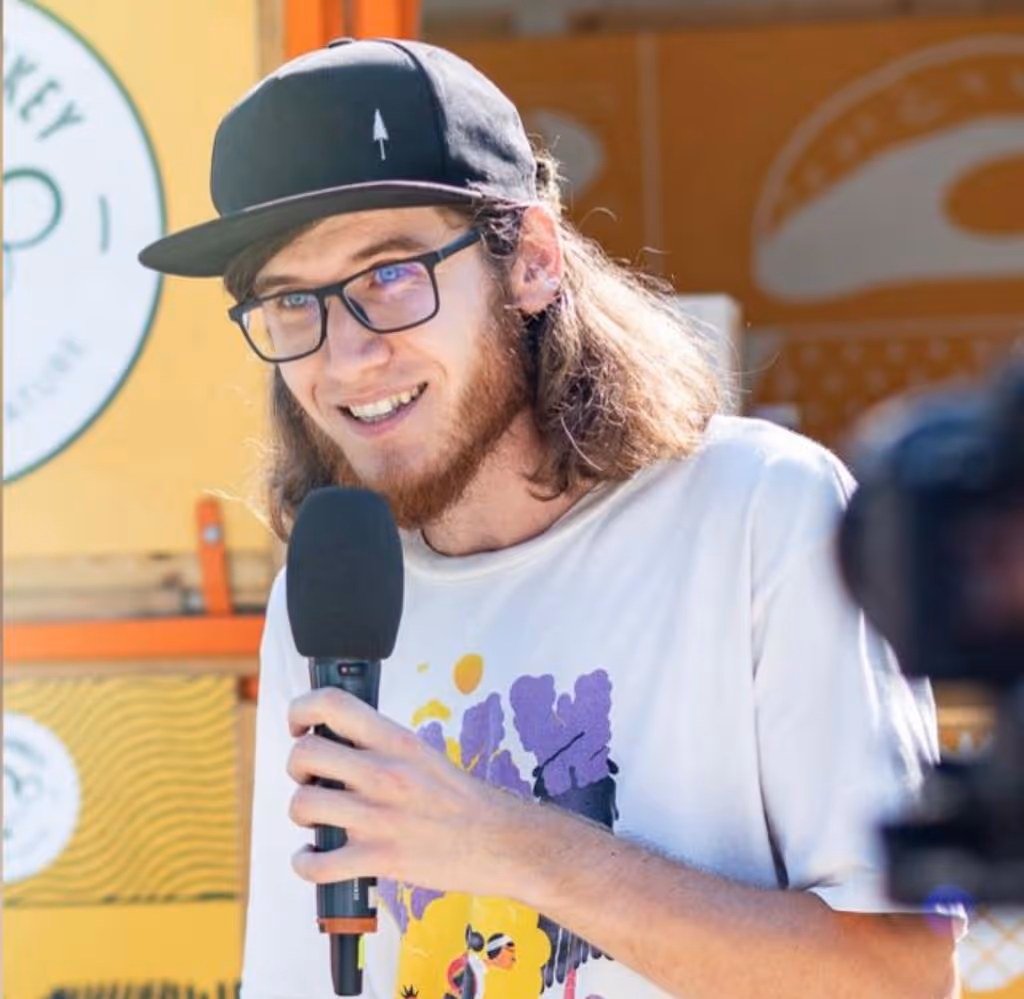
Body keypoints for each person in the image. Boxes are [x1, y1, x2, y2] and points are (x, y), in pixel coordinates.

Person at [140, 37, 964, 999]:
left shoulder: (763, 512)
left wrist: (509, 844)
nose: (346, 355)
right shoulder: (322, 603)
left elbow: (905, 975)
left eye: (390, 275)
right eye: (290, 301)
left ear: (531, 260)